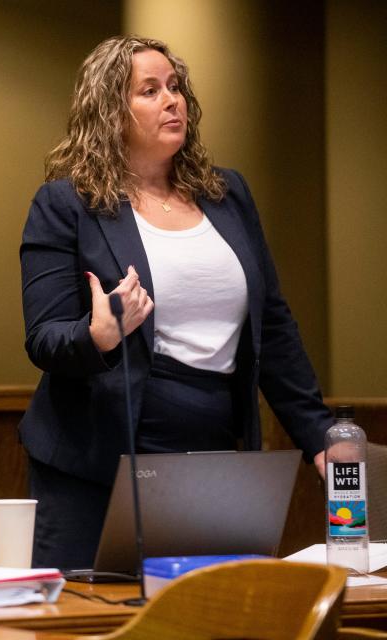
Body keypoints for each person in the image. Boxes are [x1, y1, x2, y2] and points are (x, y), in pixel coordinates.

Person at [19, 35, 332, 569]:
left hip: (212, 457)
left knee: (206, 613)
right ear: (110, 111)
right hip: (96, 465)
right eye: (150, 90)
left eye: (176, 86)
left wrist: (318, 436)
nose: (173, 100)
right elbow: (45, 337)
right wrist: (99, 335)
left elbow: (272, 327)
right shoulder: (67, 203)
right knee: (90, 620)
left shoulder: (226, 194)